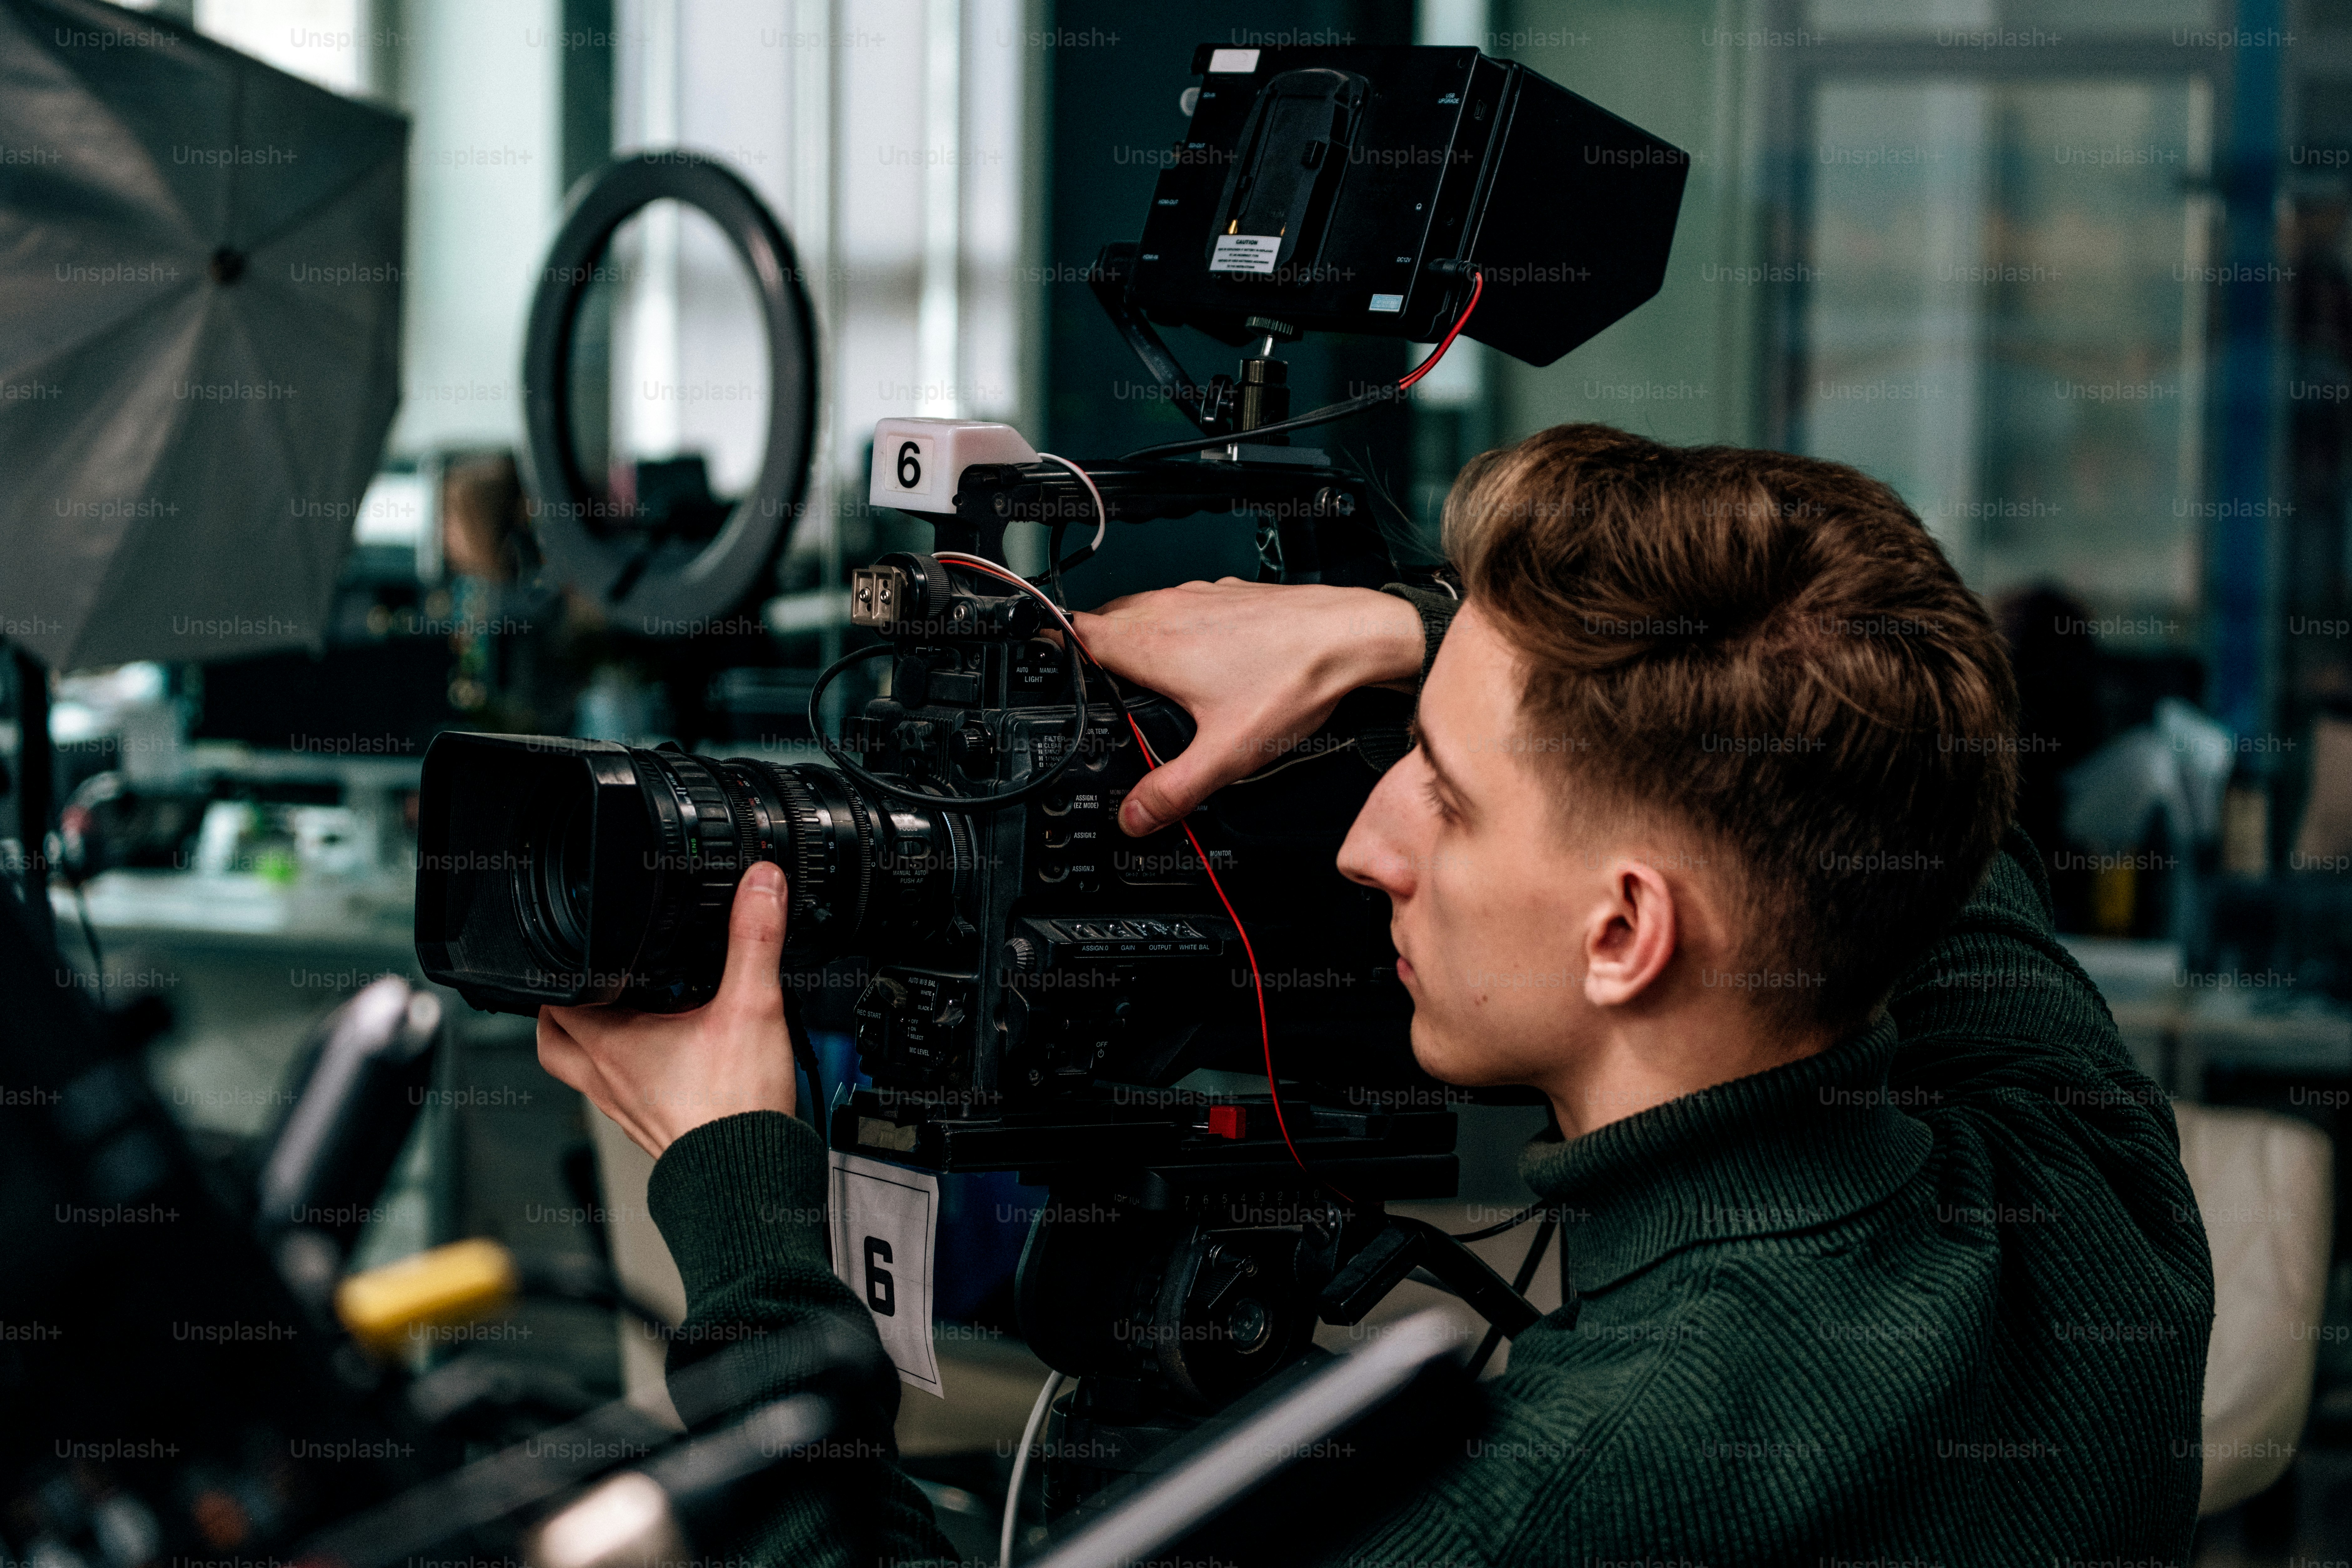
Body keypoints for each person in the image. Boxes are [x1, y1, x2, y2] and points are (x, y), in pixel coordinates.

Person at [534, 424, 2213, 1564]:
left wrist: (743, 1192)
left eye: (1443, 785)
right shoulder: (2095, 1201)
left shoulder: (1561, 1484)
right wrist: (1407, 631)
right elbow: (1921, 801)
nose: (1366, 840)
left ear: (1627, 932)